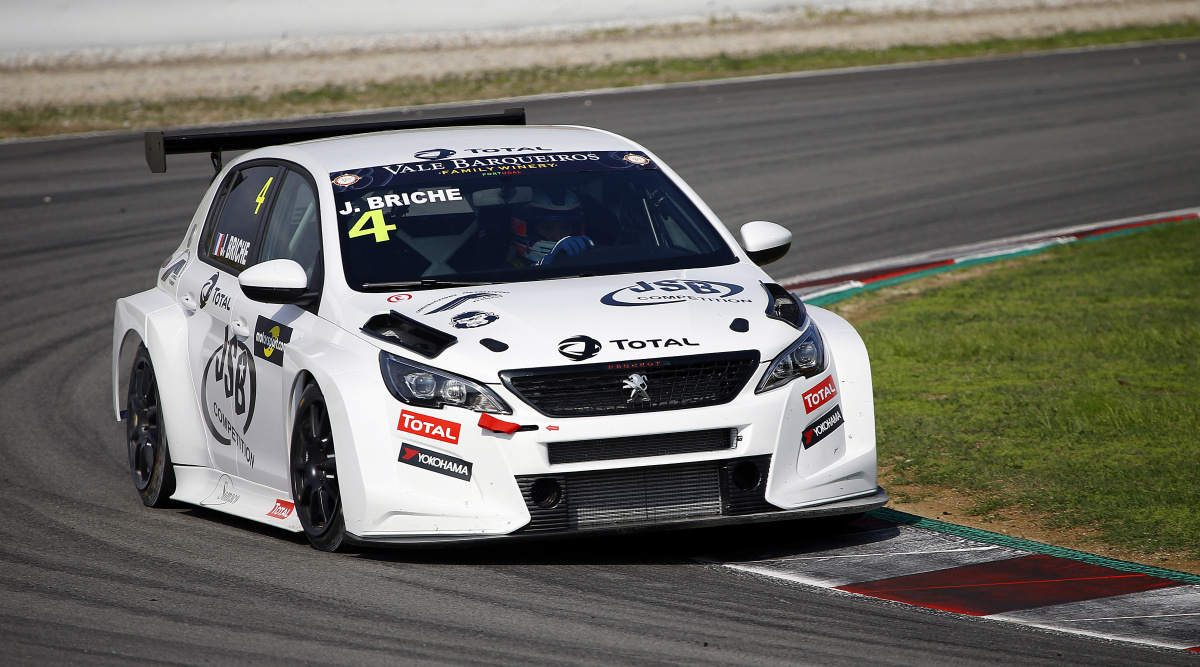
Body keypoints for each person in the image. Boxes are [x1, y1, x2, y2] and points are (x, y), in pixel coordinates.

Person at [509, 189, 594, 266]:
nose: (557, 236)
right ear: (522, 229)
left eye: (565, 228)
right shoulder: (508, 271)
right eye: (547, 228)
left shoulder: (590, 266)